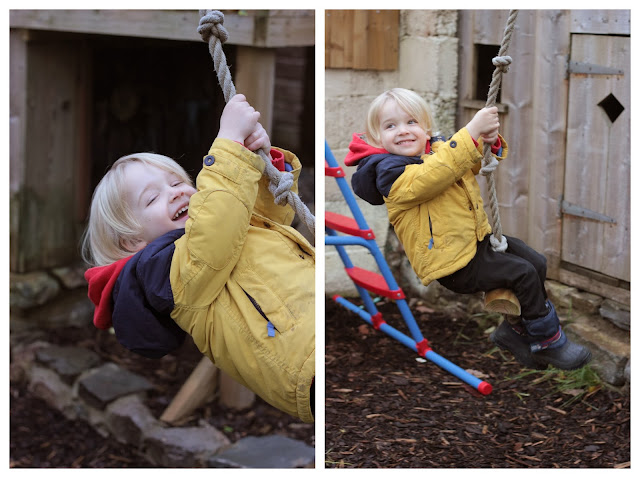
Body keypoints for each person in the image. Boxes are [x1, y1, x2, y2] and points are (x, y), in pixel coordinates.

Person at [82, 94, 315, 422]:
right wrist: (229, 145)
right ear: (133, 240)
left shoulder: (219, 227)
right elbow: (216, 227)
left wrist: (261, 164)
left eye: (177, 182)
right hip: (303, 358)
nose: (175, 192)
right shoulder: (166, 272)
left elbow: (266, 216)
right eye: (152, 198)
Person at [346, 87, 590, 371]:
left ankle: (516, 332)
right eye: (390, 126)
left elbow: (468, 163)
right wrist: (470, 130)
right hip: (452, 263)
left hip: (477, 242)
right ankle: (549, 341)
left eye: (411, 122)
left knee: (535, 262)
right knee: (521, 274)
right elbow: (433, 175)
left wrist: (487, 143)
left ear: (426, 128)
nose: (402, 130)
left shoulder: (437, 152)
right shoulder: (389, 172)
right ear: (377, 138)